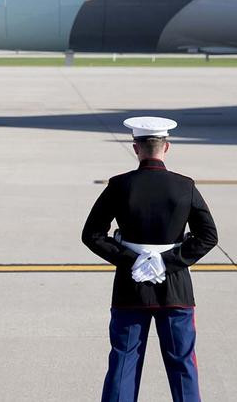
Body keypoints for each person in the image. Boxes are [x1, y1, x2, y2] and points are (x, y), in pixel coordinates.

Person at [82, 116, 219, 402]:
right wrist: (167, 262)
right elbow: (208, 236)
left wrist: (132, 259)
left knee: (123, 361)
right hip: (175, 287)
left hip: (130, 289)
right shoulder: (184, 186)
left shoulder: (119, 186)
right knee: (182, 363)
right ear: (166, 147)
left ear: (136, 148)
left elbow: (92, 234)